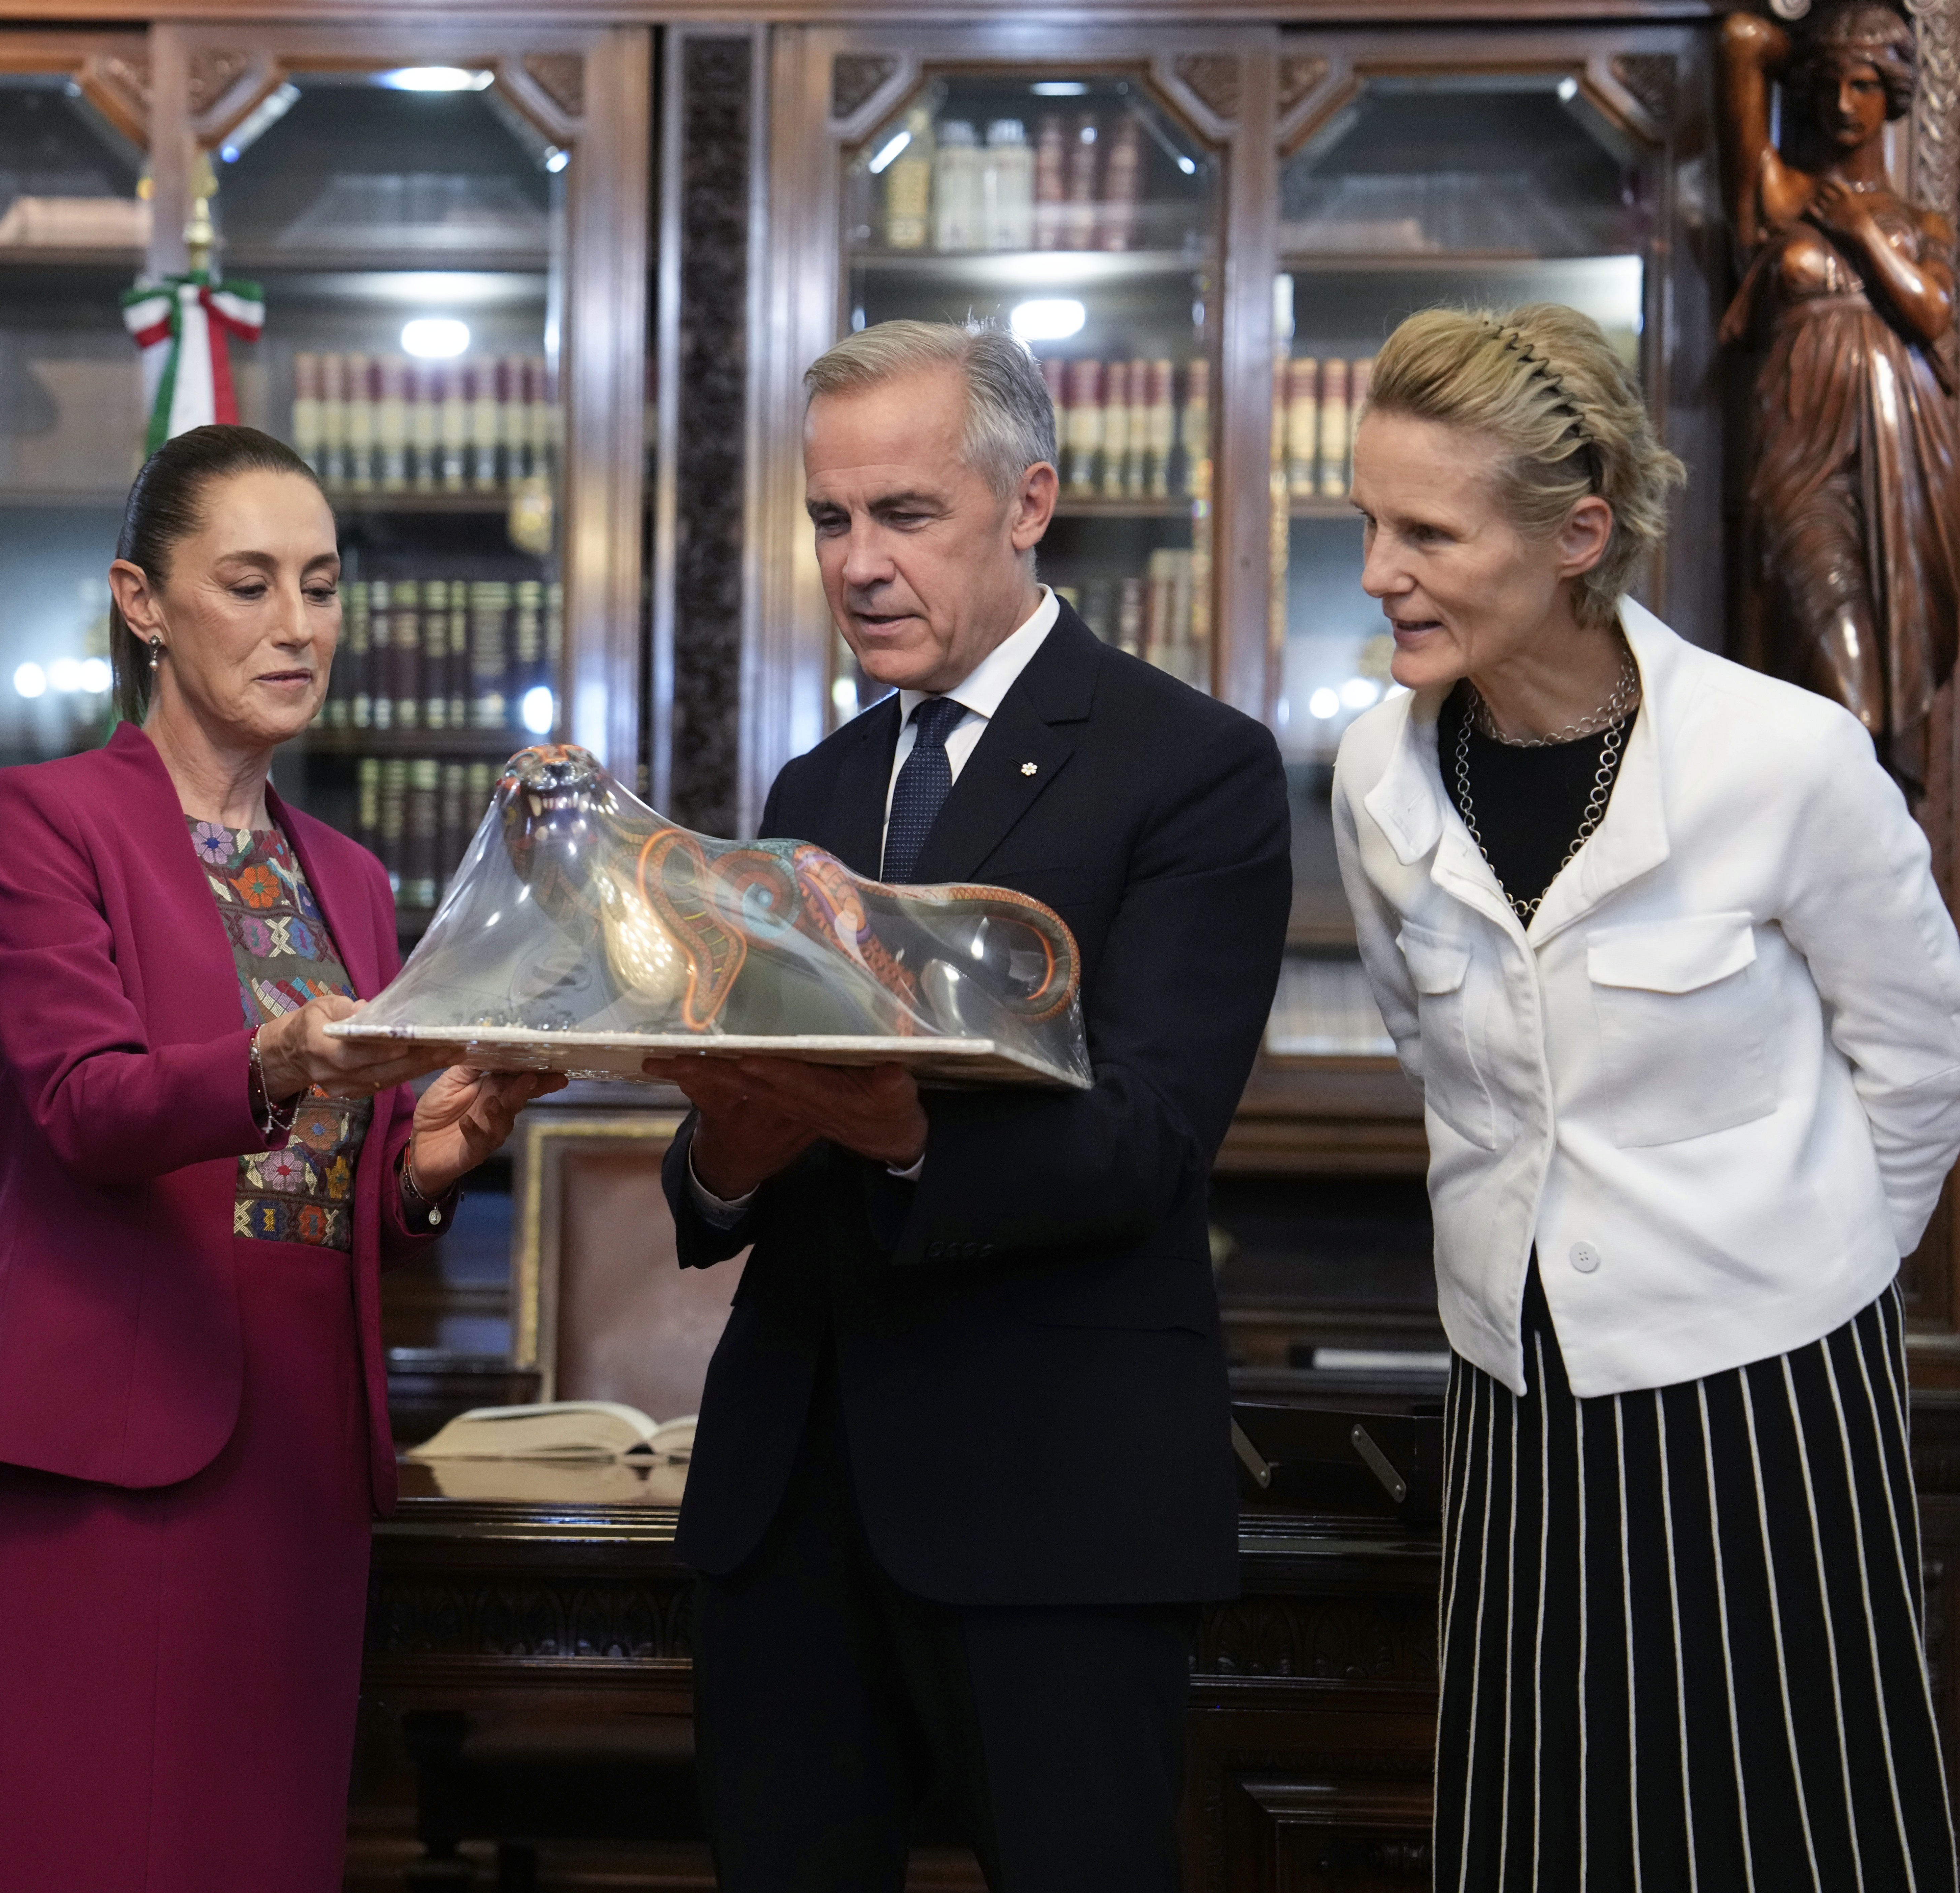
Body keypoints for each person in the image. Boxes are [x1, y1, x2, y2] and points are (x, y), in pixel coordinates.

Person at [642, 318, 1292, 1892]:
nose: (857, 563)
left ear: (1028, 503)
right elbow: (723, 1186)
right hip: (787, 1504)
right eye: (829, 518)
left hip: (1051, 1504)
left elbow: (1146, 1143)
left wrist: (897, 1128)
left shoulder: (1193, 767)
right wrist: (725, 1152)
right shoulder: (810, 793)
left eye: (905, 514)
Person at [1333, 301, 1960, 1887]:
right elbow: (1428, 1041)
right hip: (1516, 1383)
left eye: (1428, 533)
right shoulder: (1375, 777)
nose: (1378, 572)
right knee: (1542, 1819)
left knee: (1792, 1823)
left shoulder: (1783, 757)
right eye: (1366, 524)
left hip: (1772, 1389)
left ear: (1578, 535)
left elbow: (1922, 1058)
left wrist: (1813, 1262)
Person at [0, 423, 559, 1892]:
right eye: (250, 583)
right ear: (141, 602)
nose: (297, 626)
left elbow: (331, 1193)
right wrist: (277, 1062)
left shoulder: (350, 878)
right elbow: (85, 1106)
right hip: (105, 1459)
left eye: (321, 587)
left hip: (300, 1464)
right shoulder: (42, 821)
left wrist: (429, 1160)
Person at [1717, 3, 1960, 784]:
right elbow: (1740, 39)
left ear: (1893, 93)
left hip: (1902, 458)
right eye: (1826, 84)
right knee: (1845, 699)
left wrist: (1859, 230)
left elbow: (1931, 312)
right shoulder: (1778, 195)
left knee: (1889, 695)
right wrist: (1801, 33)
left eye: (1863, 84)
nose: (1842, 104)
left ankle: (1874, 846)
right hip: (1798, 460)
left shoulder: (1923, 225)